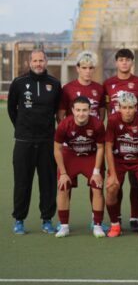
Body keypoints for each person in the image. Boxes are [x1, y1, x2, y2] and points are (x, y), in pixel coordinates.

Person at [8, 49, 62, 235]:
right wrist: (22, 128)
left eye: (41, 60)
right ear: (29, 63)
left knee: (48, 183)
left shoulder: (54, 84)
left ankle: (47, 219)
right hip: (24, 141)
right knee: (22, 182)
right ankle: (19, 220)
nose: (38, 64)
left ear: (46, 62)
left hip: (47, 141)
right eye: (35, 61)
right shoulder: (19, 83)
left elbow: (57, 110)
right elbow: (11, 109)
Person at [103, 48, 138, 232]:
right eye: (121, 60)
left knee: (136, 182)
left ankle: (134, 217)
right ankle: (117, 216)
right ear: (116, 62)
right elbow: (105, 110)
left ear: (132, 63)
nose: (124, 63)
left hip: (135, 137)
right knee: (116, 182)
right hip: (116, 136)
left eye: (128, 60)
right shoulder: (108, 84)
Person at [53, 96, 106, 238]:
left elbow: (101, 148)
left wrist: (96, 171)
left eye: (84, 110)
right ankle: (64, 226)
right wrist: (63, 173)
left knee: (97, 186)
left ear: (90, 110)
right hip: (71, 155)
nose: (81, 113)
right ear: (72, 110)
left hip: (91, 156)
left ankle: (97, 225)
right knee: (63, 186)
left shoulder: (98, 124)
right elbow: (57, 149)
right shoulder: (64, 124)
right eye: (77, 110)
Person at [104, 92, 138, 238]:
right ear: (118, 108)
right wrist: (112, 175)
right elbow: (108, 147)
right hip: (119, 159)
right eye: (124, 107)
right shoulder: (113, 119)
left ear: (136, 108)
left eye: (131, 107)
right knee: (111, 187)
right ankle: (115, 226)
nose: (127, 111)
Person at [58, 51, 105, 121]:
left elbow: (102, 115)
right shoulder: (67, 88)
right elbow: (60, 116)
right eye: (84, 68)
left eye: (91, 68)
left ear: (94, 69)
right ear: (78, 68)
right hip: (73, 131)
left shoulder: (99, 88)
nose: (88, 71)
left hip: (92, 131)